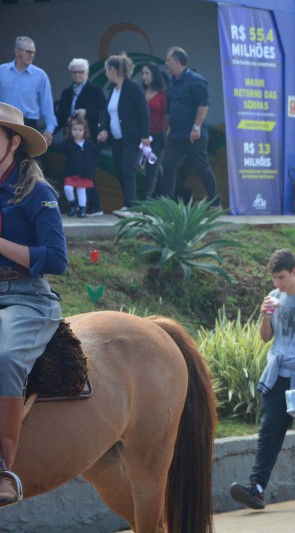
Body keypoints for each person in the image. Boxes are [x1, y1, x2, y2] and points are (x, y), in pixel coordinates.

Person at [0, 102, 67, 507]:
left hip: (29, 298)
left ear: (13, 142)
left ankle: (4, 468)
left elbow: (57, 260)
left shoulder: (36, 192)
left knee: (5, 355)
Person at [230, 249, 295, 510]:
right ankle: (256, 488)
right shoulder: (274, 298)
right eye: (274, 278)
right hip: (279, 372)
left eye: (282, 277)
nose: (278, 283)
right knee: (269, 430)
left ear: (294, 272)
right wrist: (265, 316)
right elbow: (266, 337)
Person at [161, 46, 221, 206]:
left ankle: (216, 202)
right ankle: (166, 204)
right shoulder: (172, 82)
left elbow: (203, 104)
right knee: (168, 166)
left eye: (168, 60)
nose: (166, 63)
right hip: (175, 136)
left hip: (193, 135)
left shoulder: (196, 80)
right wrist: (169, 126)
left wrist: (197, 127)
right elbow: (171, 107)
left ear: (177, 61)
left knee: (202, 168)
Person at [96, 53, 150, 214]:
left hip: (131, 137)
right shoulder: (113, 90)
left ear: (113, 70)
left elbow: (143, 113)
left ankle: (131, 205)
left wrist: (145, 135)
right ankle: (130, 202)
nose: (106, 73)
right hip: (117, 139)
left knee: (127, 168)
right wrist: (104, 129)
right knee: (119, 170)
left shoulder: (133, 88)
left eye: (107, 69)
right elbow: (107, 113)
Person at [55, 58, 106, 216]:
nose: (77, 75)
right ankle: (75, 206)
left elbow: (104, 113)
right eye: (74, 72)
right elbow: (61, 116)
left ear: (87, 73)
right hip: (71, 138)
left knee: (88, 172)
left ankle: (94, 206)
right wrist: (50, 132)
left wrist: (87, 113)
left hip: (88, 138)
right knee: (72, 173)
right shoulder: (67, 92)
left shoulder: (95, 90)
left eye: (80, 72)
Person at [0, 37, 56, 147]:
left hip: (28, 125)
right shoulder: (1, 71)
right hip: (3, 122)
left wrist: (49, 130)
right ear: (17, 52)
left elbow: (47, 104)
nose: (32, 55)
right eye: (28, 52)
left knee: (26, 161)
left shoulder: (40, 76)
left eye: (34, 53)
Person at [54, 115, 101, 218]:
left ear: (85, 131)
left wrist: (101, 141)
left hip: (84, 173)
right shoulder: (68, 143)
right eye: (74, 129)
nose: (77, 132)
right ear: (70, 130)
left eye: (80, 129)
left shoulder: (88, 144)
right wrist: (49, 142)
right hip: (70, 172)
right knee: (68, 188)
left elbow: (96, 151)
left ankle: (82, 209)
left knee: (81, 191)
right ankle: (72, 205)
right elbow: (57, 147)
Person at [140, 63, 167, 199]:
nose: (144, 76)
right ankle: (163, 196)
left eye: (147, 73)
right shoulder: (140, 92)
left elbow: (167, 117)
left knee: (152, 169)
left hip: (157, 136)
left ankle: (145, 203)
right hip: (141, 137)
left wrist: (167, 134)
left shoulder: (163, 95)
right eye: (143, 73)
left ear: (154, 75)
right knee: (155, 168)